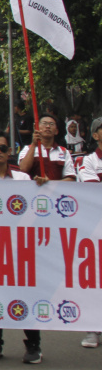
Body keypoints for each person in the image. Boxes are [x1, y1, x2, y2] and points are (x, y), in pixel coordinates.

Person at [0, 130, 48, 363]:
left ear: (10, 152)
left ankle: (33, 345)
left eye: (3, 148)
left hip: (21, 250)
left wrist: (44, 187)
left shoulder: (24, 180)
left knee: (26, 295)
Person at [75, 117, 102, 348]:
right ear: (95, 136)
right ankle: (93, 329)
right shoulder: (89, 161)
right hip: (97, 229)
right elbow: (93, 190)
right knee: (96, 281)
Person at [17, 114, 75, 181]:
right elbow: (23, 169)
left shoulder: (63, 151)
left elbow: (71, 178)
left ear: (56, 131)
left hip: (57, 191)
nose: (48, 126)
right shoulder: (27, 149)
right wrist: (33, 145)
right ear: (36, 128)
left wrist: (50, 184)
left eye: (51, 124)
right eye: (44, 123)